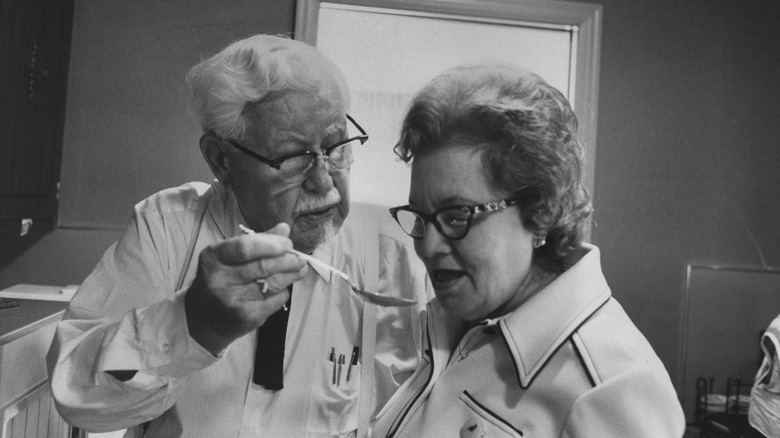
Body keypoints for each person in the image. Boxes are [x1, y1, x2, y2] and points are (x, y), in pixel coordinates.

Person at [46, 34, 431, 438]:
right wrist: (192, 325)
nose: (323, 181)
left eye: (336, 147)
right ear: (221, 160)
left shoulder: (394, 256)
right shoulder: (169, 227)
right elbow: (76, 395)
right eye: (293, 157)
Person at [369, 64, 686, 437]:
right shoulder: (455, 321)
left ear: (541, 212)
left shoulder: (610, 388)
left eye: (457, 216)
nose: (426, 245)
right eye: (421, 217)